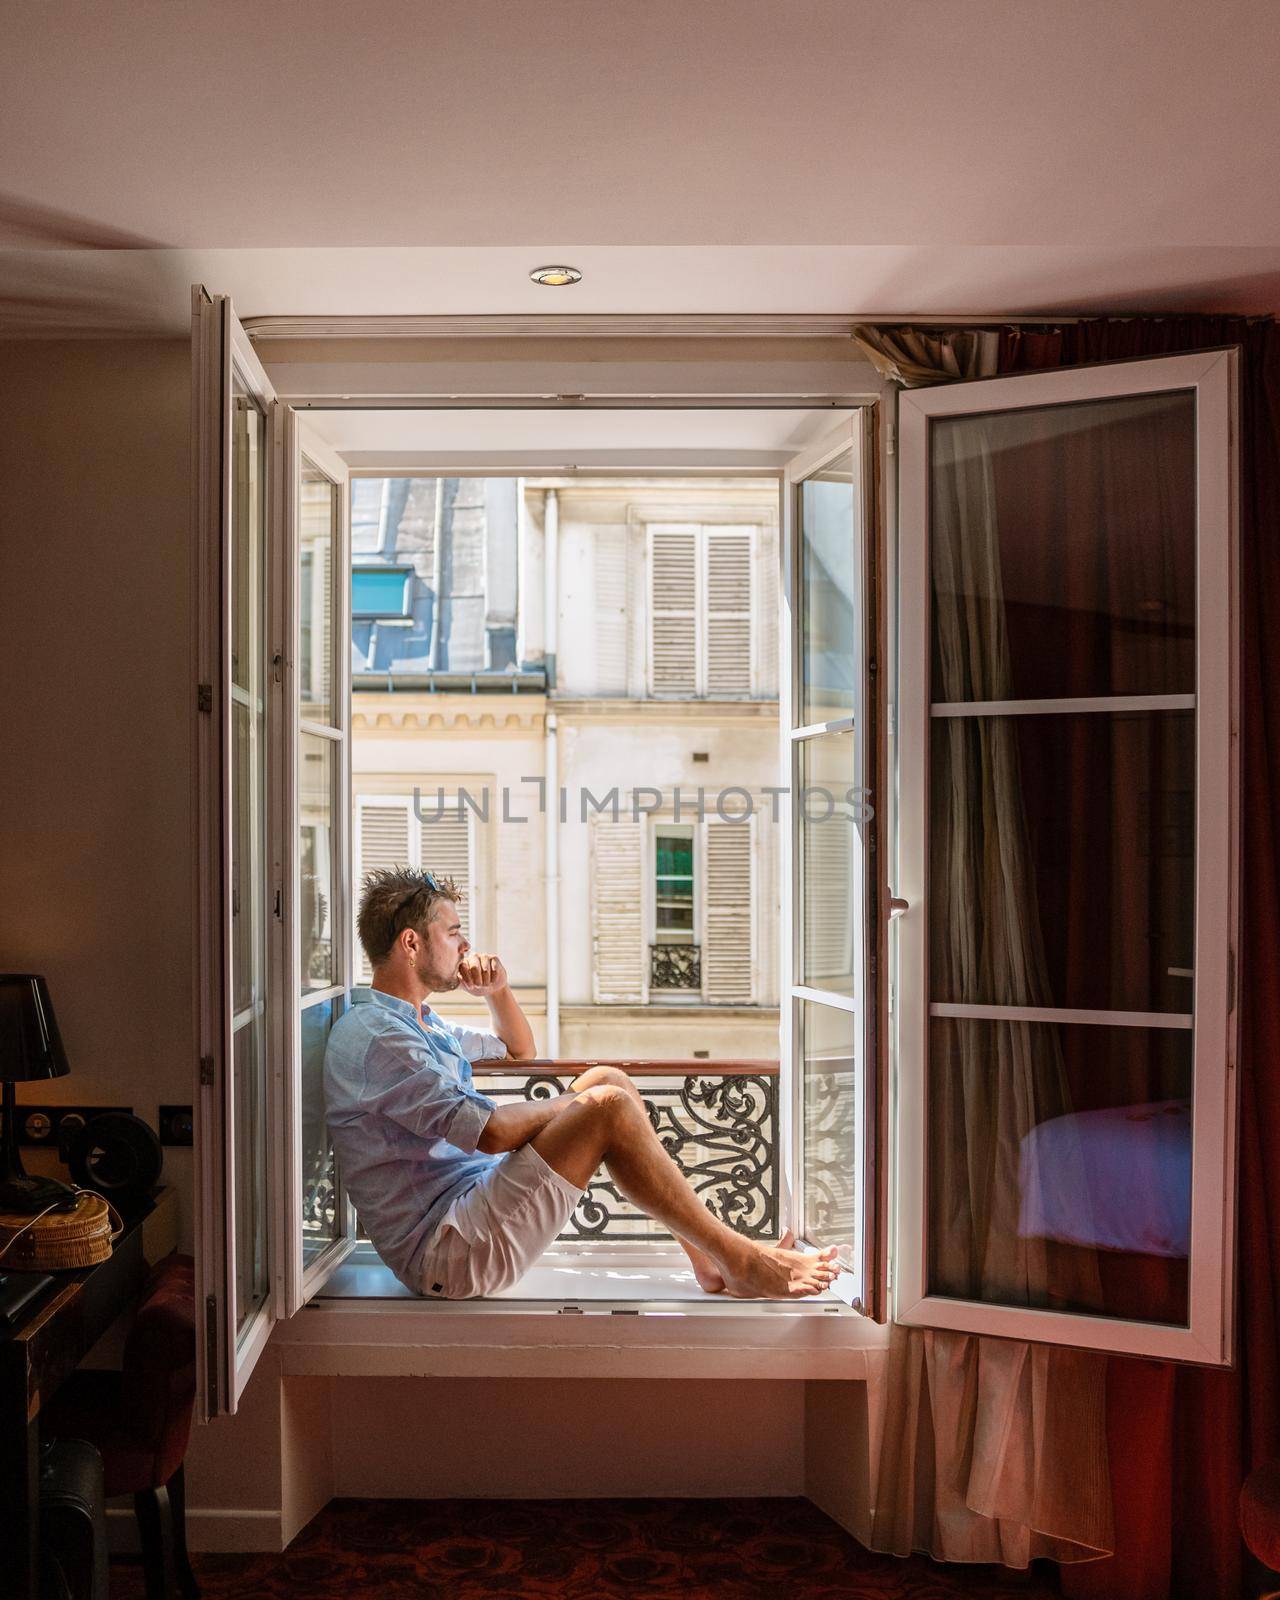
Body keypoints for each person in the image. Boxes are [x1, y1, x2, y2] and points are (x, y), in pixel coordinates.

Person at [325, 866, 841, 1301]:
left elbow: (519, 1049)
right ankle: (743, 1263)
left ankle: (709, 1260)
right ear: (412, 943)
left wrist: (498, 991)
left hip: (466, 1210)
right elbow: (493, 1134)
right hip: (448, 1251)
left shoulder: (417, 1021)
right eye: (454, 931)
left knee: (607, 1079)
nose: (465, 944)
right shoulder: (381, 1039)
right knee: (606, 1100)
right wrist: (583, 1104)